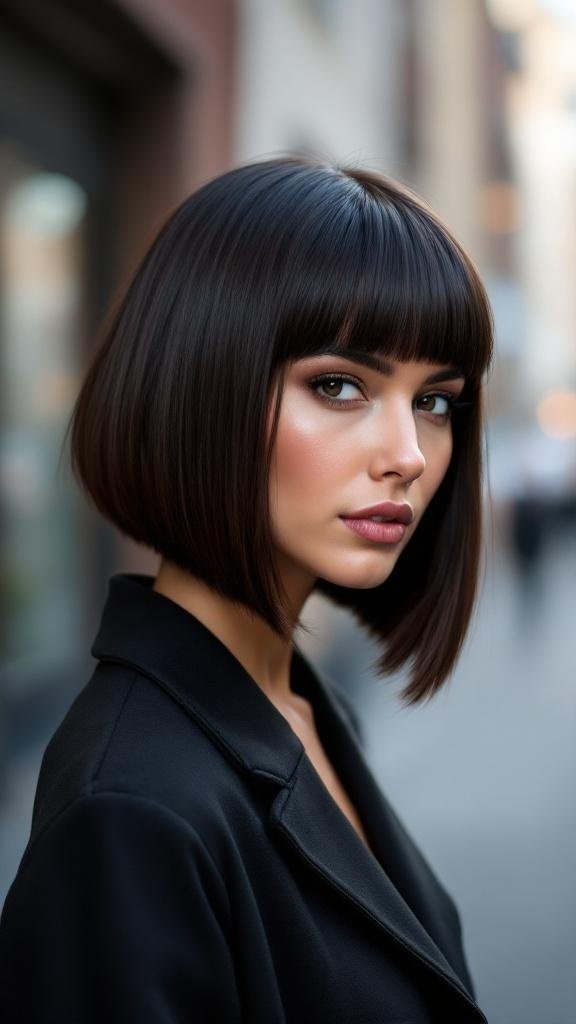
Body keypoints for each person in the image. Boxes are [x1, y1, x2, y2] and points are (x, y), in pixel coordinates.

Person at [0, 157, 493, 1023]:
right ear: (202, 386)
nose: (409, 455)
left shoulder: (298, 707)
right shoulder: (130, 813)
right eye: (339, 385)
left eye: (436, 401)